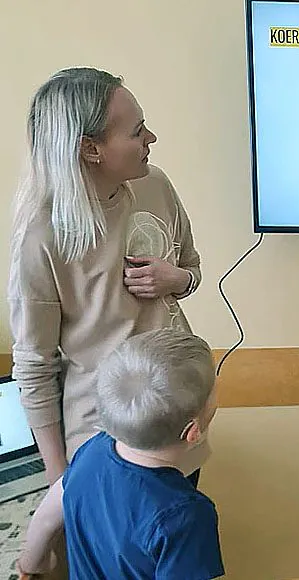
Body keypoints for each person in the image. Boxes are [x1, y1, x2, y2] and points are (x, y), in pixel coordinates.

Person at [8, 67, 205, 486]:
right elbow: (35, 366)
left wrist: (178, 281)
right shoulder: (42, 237)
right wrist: (62, 482)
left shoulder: (155, 185)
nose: (151, 138)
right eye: (137, 132)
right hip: (105, 450)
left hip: (181, 430)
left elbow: (192, 269)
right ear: (90, 148)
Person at [16, 328, 224, 579]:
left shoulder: (93, 450)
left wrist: (32, 564)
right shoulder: (186, 515)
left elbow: (47, 518)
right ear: (193, 431)